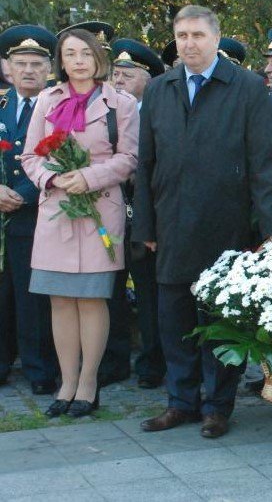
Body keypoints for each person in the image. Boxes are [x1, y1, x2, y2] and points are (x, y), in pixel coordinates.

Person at [134, 5, 272, 439]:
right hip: (170, 225)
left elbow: (264, 161)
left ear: (216, 38)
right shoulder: (160, 89)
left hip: (226, 224)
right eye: (182, 35)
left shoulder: (246, 88)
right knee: (175, 319)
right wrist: (144, 227)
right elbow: (144, 163)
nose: (189, 43)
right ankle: (180, 402)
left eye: (198, 35)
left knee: (222, 319)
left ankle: (218, 406)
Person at [22, 27, 139, 419]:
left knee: (90, 299)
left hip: (98, 210)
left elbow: (129, 158)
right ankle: (66, 382)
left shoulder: (118, 102)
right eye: (70, 54)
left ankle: (89, 383)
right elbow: (29, 156)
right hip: (57, 210)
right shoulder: (46, 100)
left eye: (85, 54)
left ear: (98, 59)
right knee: (60, 301)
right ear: (61, 60)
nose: (77, 61)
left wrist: (88, 177)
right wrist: (53, 178)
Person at [101, 39, 166, 390]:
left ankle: (152, 362)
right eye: (116, 73)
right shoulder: (105, 110)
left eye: (129, 73)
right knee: (110, 286)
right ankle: (114, 359)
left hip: (147, 213)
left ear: (149, 77)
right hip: (108, 211)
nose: (120, 79)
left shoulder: (157, 110)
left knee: (148, 288)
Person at [0, 25, 58, 395]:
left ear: (49, 68)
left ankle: (39, 370)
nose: (28, 70)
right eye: (20, 63)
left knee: (32, 295)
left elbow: (61, 158)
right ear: (7, 67)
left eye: (37, 64)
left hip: (38, 214)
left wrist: (21, 193)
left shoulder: (58, 107)